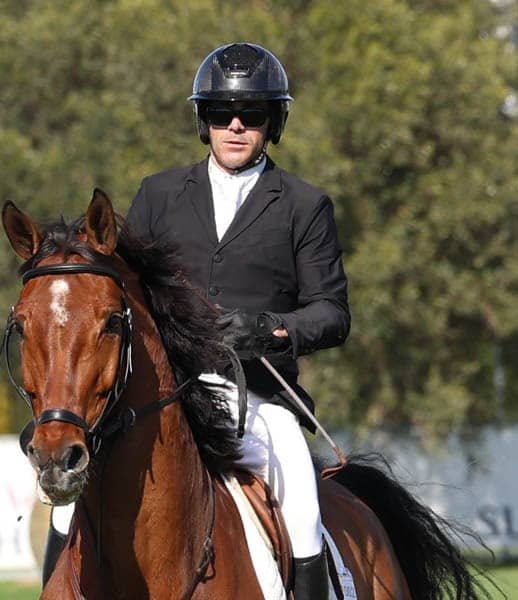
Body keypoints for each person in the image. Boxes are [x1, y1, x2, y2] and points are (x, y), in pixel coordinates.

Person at [125, 42, 350, 600]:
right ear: (202, 120)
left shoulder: (304, 205)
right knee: (67, 506)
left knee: (300, 494)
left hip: (255, 399)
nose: (234, 126)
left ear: (273, 123)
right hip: (165, 392)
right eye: (220, 113)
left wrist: (271, 329)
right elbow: (125, 294)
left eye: (251, 114)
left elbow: (331, 313)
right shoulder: (157, 195)